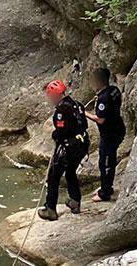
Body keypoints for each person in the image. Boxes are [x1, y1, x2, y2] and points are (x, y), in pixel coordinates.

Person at [38, 80, 90, 221]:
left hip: (69, 146)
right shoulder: (77, 105)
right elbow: (84, 124)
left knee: (53, 176)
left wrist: (55, 135)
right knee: (71, 172)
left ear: (54, 95)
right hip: (82, 144)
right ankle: (75, 201)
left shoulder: (61, 110)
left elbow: (62, 131)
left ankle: (50, 209)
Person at [85, 68, 125, 202]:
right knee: (110, 159)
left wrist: (84, 113)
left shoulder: (103, 98)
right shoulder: (114, 90)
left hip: (110, 134)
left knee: (105, 163)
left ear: (98, 81)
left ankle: (105, 192)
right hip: (118, 128)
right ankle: (107, 187)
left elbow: (100, 119)